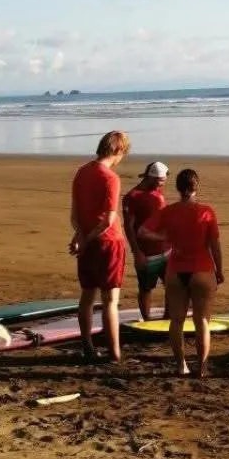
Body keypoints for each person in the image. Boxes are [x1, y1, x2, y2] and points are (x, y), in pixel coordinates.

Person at [139, 168, 223, 376]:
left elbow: (142, 231)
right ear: (196, 187)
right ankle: (202, 367)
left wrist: (164, 238)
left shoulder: (169, 211)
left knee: (176, 321)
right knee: (202, 321)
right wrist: (219, 270)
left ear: (177, 188)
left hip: (176, 271)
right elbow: (215, 245)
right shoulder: (206, 211)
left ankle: (181, 365)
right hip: (202, 270)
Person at [70, 130, 130, 362]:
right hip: (108, 242)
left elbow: (75, 214)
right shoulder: (110, 178)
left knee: (87, 295)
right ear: (117, 151)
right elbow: (108, 220)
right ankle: (114, 352)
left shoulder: (82, 172)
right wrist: (86, 239)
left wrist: (80, 235)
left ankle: (88, 345)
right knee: (110, 300)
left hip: (87, 239)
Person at [122, 160, 171, 319]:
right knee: (146, 288)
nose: (162, 184)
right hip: (147, 254)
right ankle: (147, 320)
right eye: (160, 181)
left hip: (167, 251)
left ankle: (168, 317)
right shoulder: (132, 197)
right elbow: (129, 227)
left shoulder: (157, 191)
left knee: (172, 285)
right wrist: (137, 252)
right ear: (150, 177)